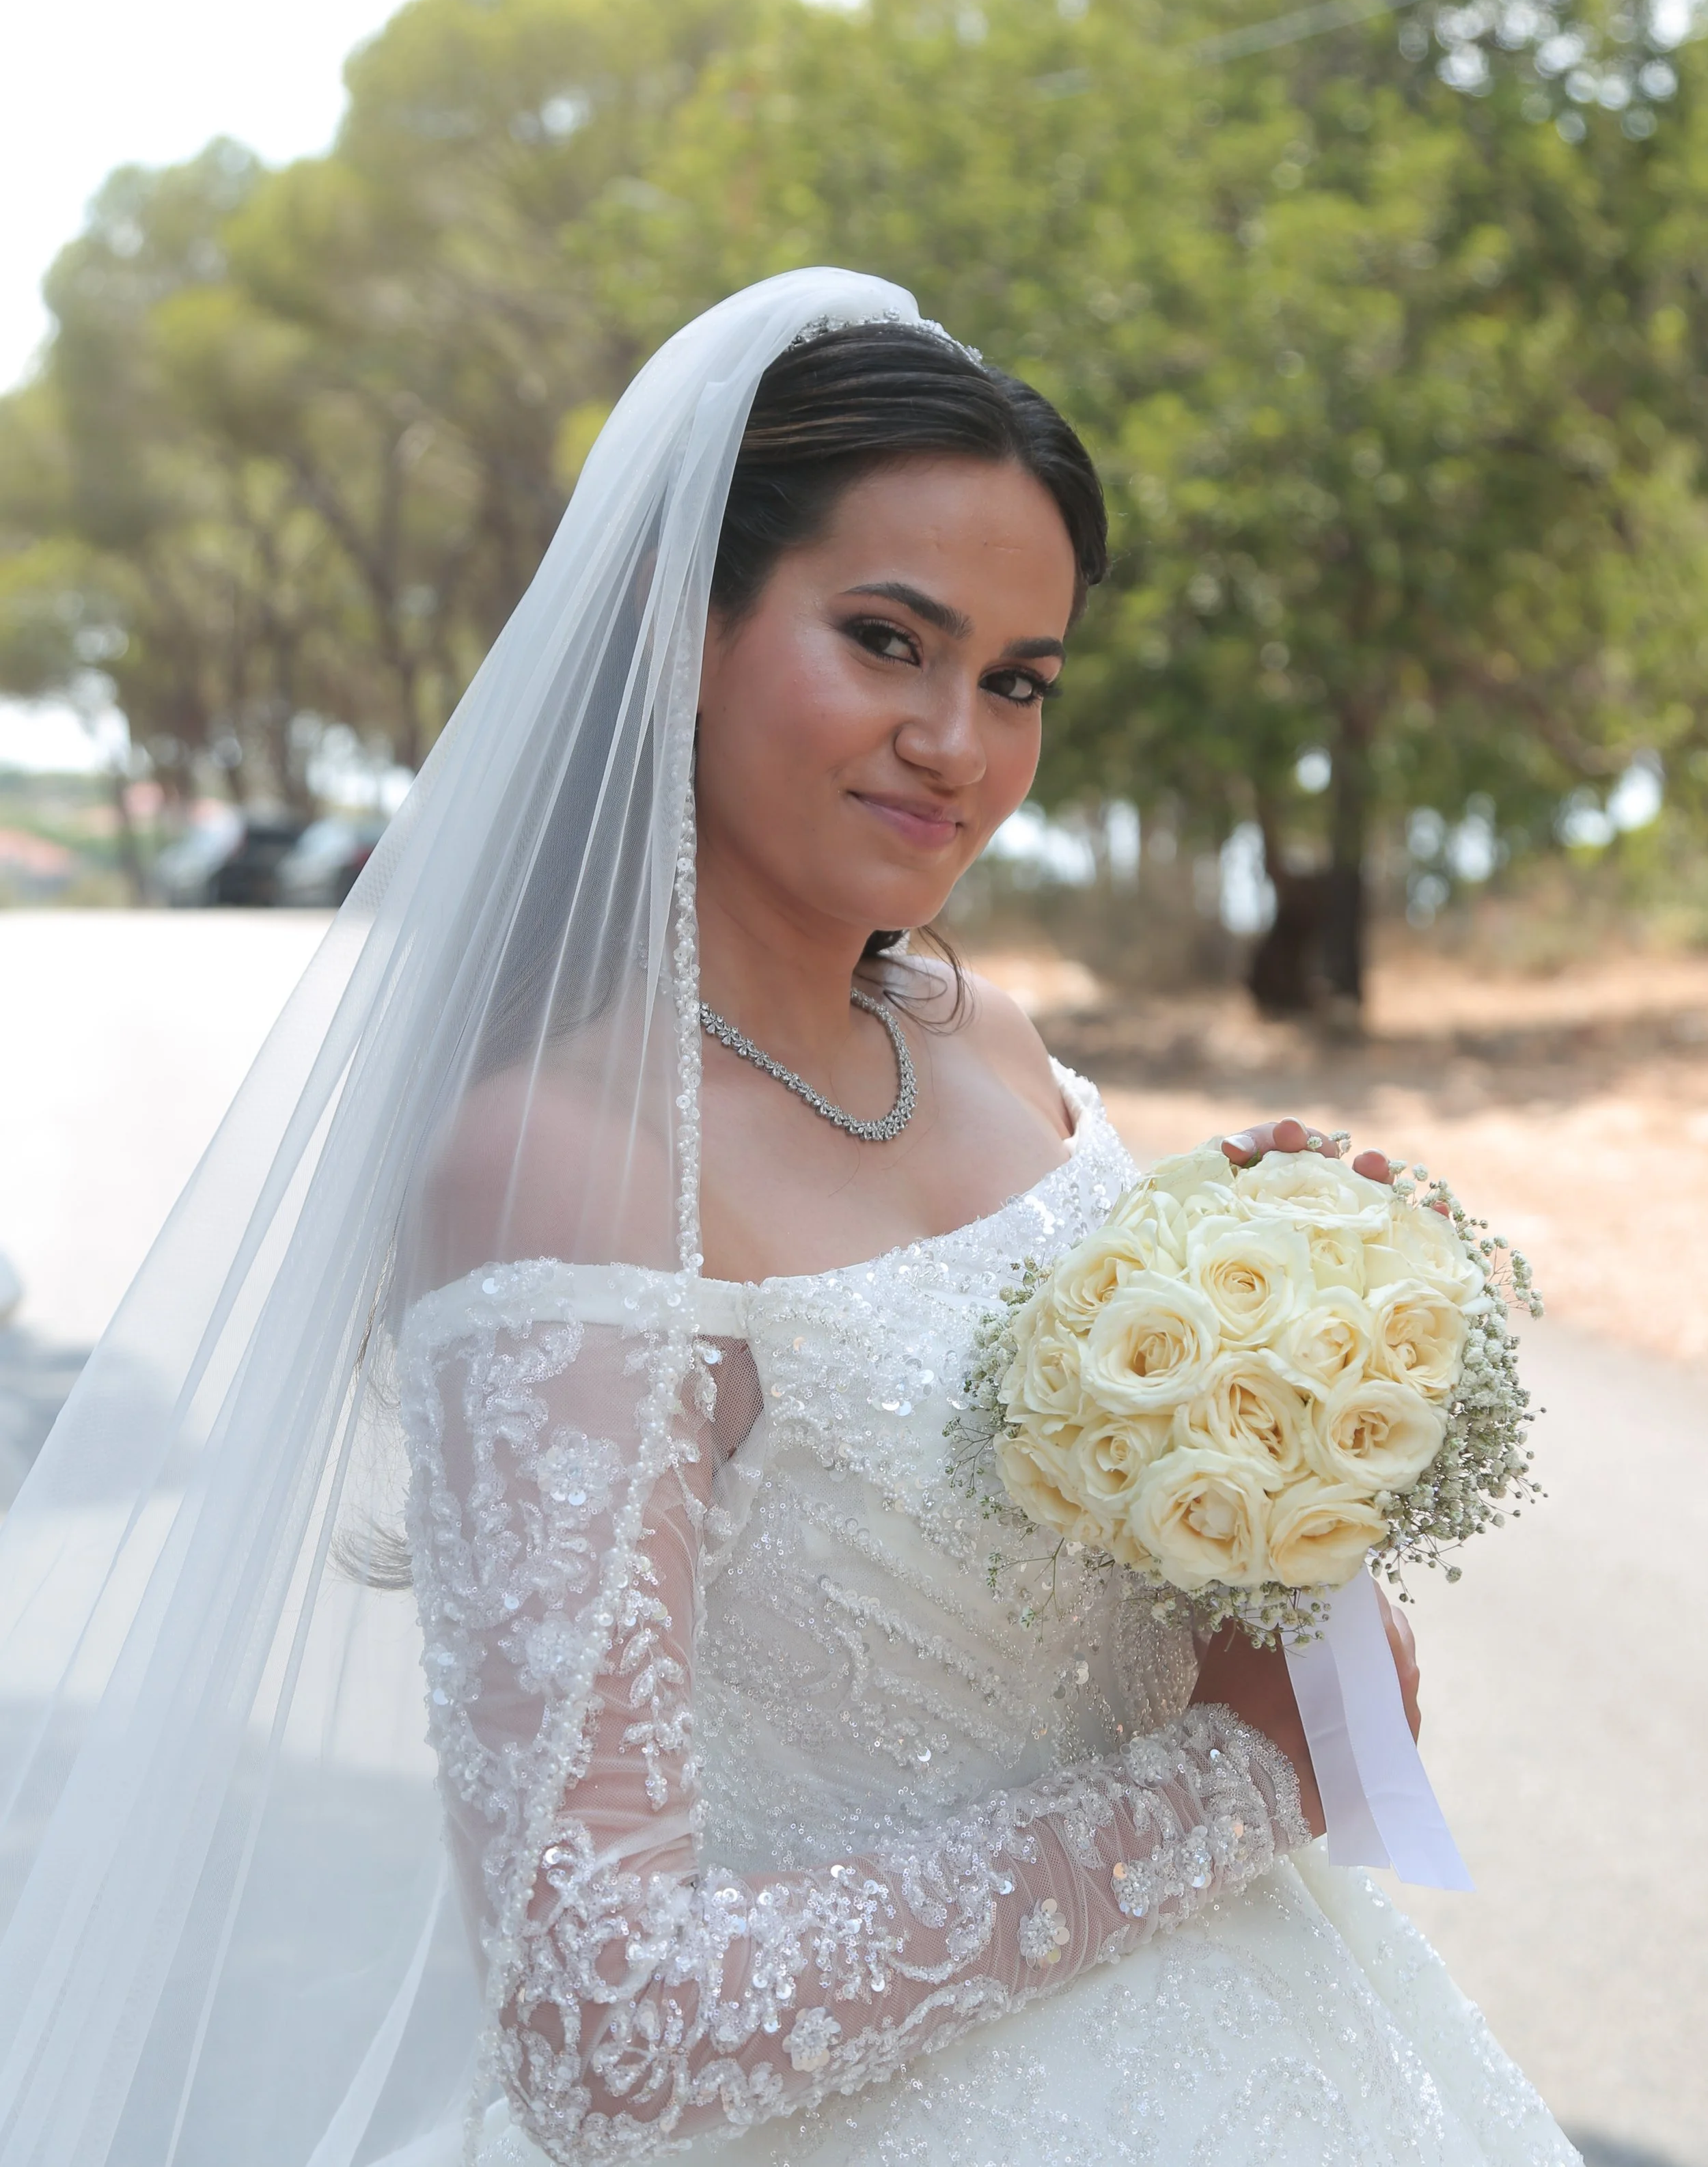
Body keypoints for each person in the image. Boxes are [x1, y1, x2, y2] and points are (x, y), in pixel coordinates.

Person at [0, 272, 1574, 2167]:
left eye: (1017, 679)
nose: (955, 742)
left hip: (1282, 2046)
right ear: (684, 631)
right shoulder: (565, 1161)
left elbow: (1149, 1580)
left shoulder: (987, 1039)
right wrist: (1231, 1789)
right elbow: (608, 2025)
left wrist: (1321, 1354)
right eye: (886, 640)